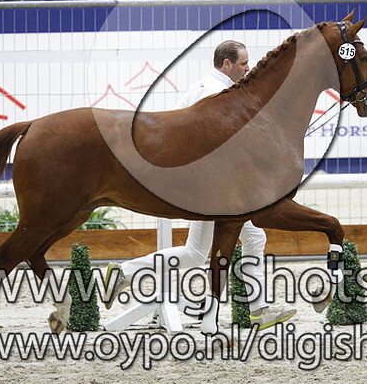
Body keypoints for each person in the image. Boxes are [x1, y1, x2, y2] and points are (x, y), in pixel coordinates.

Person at [104, 40, 297, 331]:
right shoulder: (216, 93)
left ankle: (125, 271)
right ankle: (259, 309)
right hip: (212, 188)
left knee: (195, 253)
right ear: (227, 64)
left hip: (207, 184)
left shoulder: (208, 86)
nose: (248, 69)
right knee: (253, 239)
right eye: (243, 64)